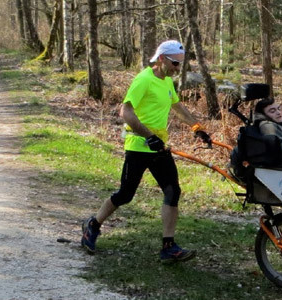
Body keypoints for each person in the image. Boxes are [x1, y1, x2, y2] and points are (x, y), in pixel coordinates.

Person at [80, 40, 212, 264]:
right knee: (125, 194)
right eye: (174, 63)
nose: (177, 68)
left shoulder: (167, 81)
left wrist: (197, 127)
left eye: (180, 64)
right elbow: (126, 111)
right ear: (161, 59)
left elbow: (177, 106)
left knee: (173, 192)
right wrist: (148, 136)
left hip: (159, 146)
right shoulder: (143, 80)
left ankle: (168, 247)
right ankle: (92, 225)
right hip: (139, 146)